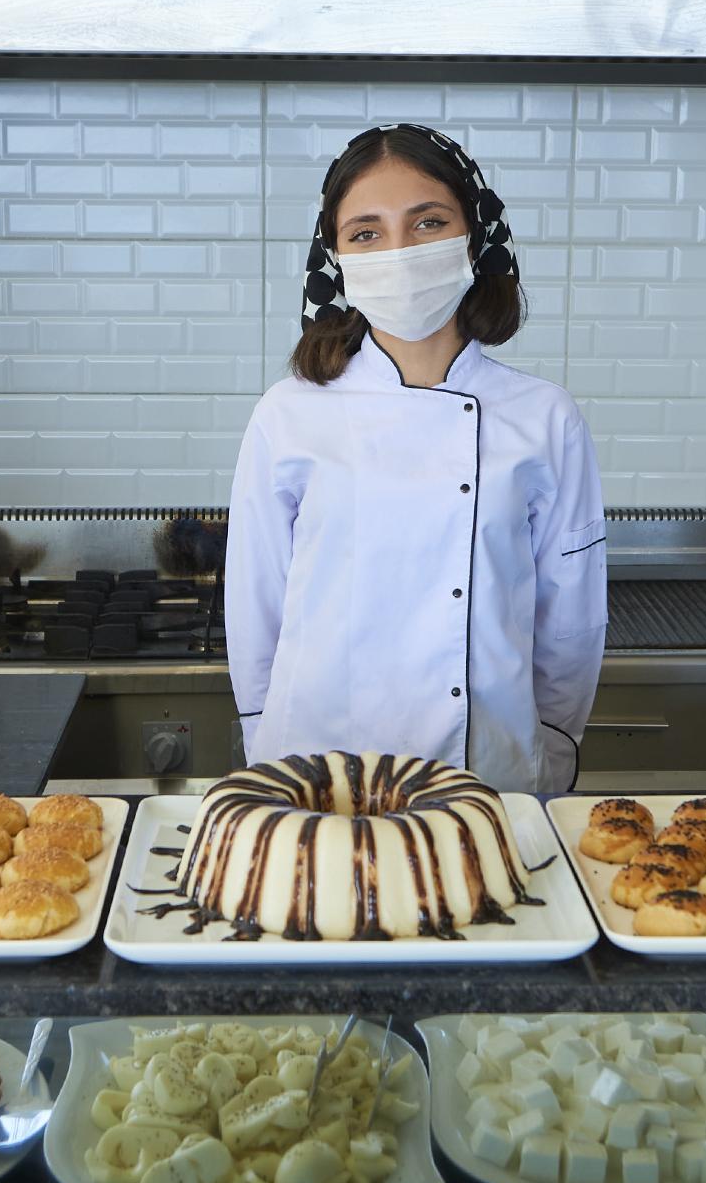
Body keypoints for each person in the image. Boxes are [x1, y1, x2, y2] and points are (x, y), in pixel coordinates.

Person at [226, 124, 607, 794]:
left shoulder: (544, 417)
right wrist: (263, 741)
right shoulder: (288, 414)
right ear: (335, 256)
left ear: (475, 235)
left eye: (428, 222)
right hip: (316, 768)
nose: (398, 252)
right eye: (366, 233)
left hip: (486, 773)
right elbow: (257, 609)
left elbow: (570, 622)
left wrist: (546, 747)